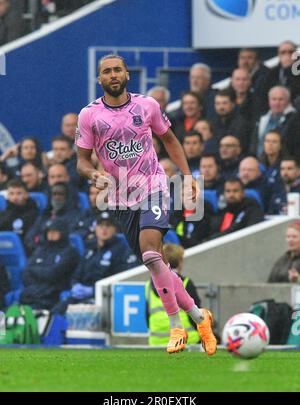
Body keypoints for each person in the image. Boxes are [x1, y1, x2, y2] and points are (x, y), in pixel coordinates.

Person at [76, 54, 217, 355]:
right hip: (118, 198)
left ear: (127, 74)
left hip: (153, 185)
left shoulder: (147, 106)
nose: (113, 75)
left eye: (117, 70)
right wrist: (93, 174)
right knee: (157, 264)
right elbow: (81, 160)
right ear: (99, 79)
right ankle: (198, 316)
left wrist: (188, 176)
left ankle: (176, 326)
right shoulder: (89, 115)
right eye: (106, 72)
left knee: (153, 252)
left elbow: (170, 139)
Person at [145, 244, 201, 346]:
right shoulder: (186, 283)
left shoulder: (148, 285)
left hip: (156, 341)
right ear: (180, 262)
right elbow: (196, 315)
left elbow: (147, 316)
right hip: (187, 340)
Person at [20, 217, 80, 310]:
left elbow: (54, 274)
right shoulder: (40, 250)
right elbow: (25, 273)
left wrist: (34, 271)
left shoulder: (70, 252)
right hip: (32, 294)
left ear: (62, 232)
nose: (51, 234)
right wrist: (41, 274)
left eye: (55, 231)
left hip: (51, 297)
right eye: (49, 231)